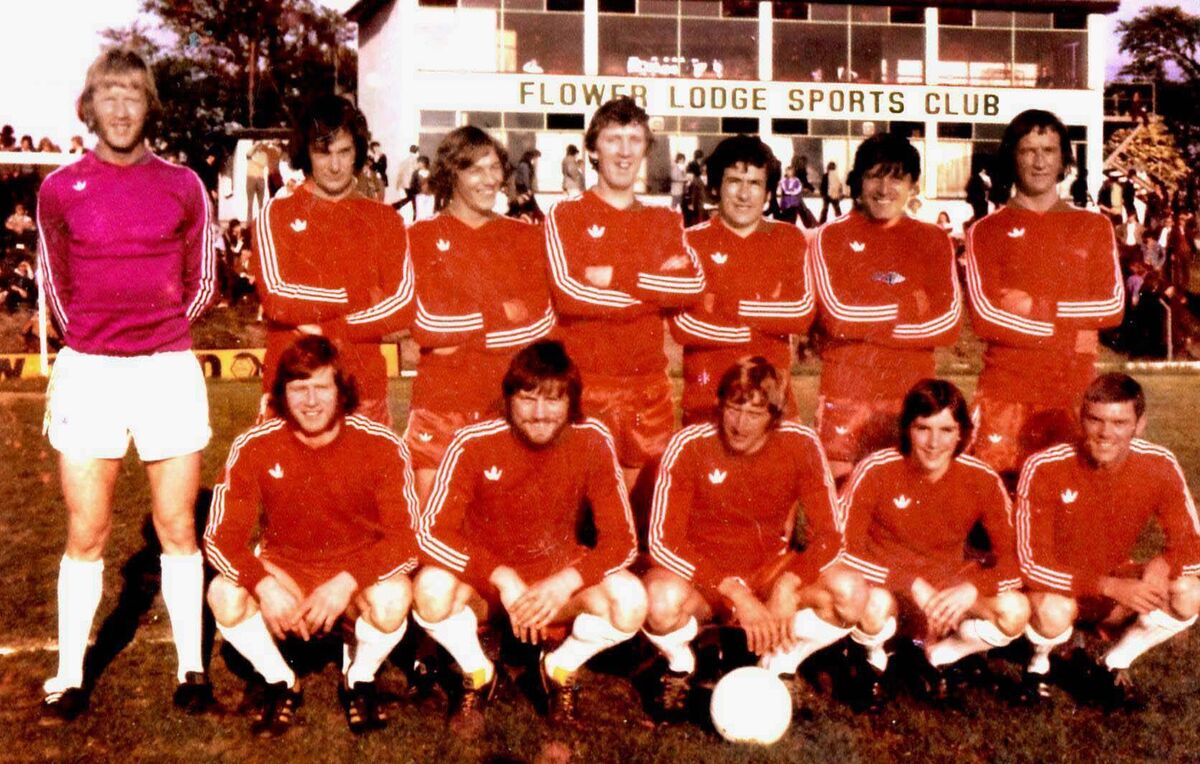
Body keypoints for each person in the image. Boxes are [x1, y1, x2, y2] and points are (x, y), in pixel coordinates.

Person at [35, 47, 218, 721]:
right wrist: (96, 334)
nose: (119, 108)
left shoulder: (183, 184)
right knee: (88, 528)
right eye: (107, 95)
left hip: (166, 370)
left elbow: (203, 283)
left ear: (150, 107)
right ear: (90, 106)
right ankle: (70, 674)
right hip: (89, 372)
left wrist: (156, 329)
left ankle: (192, 668)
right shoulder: (59, 188)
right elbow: (56, 282)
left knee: (175, 524)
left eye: (132, 95)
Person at [412, 341, 643, 727]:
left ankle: (558, 669)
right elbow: (430, 532)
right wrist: (501, 576)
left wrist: (565, 582)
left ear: (572, 402)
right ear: (508, 399)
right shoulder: (474, 441)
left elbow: (623, 541)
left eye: (553, 400)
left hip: (554, 584)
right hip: (487, 588)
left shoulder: (591, 439)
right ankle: (477, 672)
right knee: (430, 590)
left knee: (630, 601)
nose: (539, 413)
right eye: (527, 397)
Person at [204, 336, 421, 735]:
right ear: (282, 395)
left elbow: (406, 539)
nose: (310, 401)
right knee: (224, 593)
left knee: (394, 598)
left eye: (322, 387)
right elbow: (219, 538)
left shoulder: (381, 444)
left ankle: (359, 679)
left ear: (342, 391)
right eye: (298, 389)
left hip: (354, 576)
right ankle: (281, 681)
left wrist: (346, 582)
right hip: (288, 573)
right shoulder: (255, 445)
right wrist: (265, 585)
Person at [642, 358, 859, 718]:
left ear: (774, 417)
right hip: (704, 579)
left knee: (850, 593)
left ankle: (781, 663)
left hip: (768, 573)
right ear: (720, 405)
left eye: (755, 413)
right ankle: (682, 665)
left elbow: (831, 536)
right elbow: (664, 540)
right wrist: (734, 592)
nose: (740, 424)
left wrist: (789, 583)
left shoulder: (800, 443)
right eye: (732, 407)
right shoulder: (690, 443)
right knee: (658, 600)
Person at [544, 97, 704, 498]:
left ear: (646, 149)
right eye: (614, 139)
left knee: (645, 517)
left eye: (634, 139)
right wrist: (653, 290)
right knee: (580, 516)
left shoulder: (664, 220)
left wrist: (618, 277)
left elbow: (689, 287)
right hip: (585, 386)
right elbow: (569, 294)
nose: (625, 151)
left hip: (648, 390)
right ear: (593, 149)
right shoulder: (566, 215)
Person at [1015, 373, 1200, 707]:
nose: (1105, 433)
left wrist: (1163, 563)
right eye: (1095, 420)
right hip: (1057, 589)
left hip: (1113, 582)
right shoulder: (1044, 466)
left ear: (1139, 424)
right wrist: (1109, 586)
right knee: (1055, 610)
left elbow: (1192, 539)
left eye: (1119, 422)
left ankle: (1113, 663)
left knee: (1191, 591)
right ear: (1080, 418)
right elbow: (1031, 564)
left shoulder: (1158, 463)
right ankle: (1037, 666)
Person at [841, 380, 1028, 708]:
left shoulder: (981, 478)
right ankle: (873, 662)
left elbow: (1015, 558)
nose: (933, 442)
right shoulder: (876, 470)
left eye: (946, 430)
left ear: (962, 434)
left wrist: (973, 587)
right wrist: (909, 583)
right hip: (887, 587)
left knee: (1014, 610)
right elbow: (841, 549)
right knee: (872, 605)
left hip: (945, 591)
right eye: (923, 428)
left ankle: (941, 657)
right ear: (906, 429)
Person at [963, 109, 1124, 486]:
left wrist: (1038, 308)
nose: (1039, 162)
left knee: (1071, 513)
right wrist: (1073, 332)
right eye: (1028, 150)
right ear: (1012, 158)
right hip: (1006, 393)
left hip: (1073, 394)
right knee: (997, 519)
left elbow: (1112, 307)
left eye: (1049, 150)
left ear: (1064, 158)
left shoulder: (1094, 226)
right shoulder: (987, 231)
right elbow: (987, 317)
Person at [405, 126, 554, 501]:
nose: (491, 180)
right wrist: (502, 314)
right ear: (451, 173)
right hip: (440, 407)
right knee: (432, 535)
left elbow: (541, 324)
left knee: (505, 539)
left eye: (495, 168)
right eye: (477, 170)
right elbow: (424, 325)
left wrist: (459, 332)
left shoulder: (525, 238)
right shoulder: (417, 239)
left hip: (505, 406)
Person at [251, 94, 414, 426]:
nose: (336, 165)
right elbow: (278, 300)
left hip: (363, 393)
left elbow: (402, 307)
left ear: (358, 152)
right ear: (306, 154)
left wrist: (330, 326)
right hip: (291, 393)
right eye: (324, 153)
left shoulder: (384, 219)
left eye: (345, 152)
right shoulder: (276, 214)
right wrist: (359, 297)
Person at [809, 133, 963, 483]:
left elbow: (949, 324)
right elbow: (838, 317)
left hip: (911, 398)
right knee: (842, 507)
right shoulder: (830, 236)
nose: (884, 187)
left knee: (907, 511)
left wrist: (869, 307)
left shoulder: (933, 239)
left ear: (912, 185)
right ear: (858, 182)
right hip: (845, 395)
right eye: (874, 175)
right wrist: (911, 302)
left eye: (896, 177)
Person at [670, 135, 813, 425]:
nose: (744, 195)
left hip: (775, 409)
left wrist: (723, 307)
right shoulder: (688, 242)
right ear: (715, 187)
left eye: (755, 184)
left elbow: (800, 313)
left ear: (769, 193)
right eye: (734, 181)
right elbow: (684, 326)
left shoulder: (789, 239)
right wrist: (764, 317)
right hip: (706, 408)